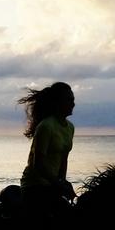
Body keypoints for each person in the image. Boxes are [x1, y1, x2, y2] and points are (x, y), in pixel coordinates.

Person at [18, 82, 76, 217]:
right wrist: (58, 184)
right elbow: (37, 164)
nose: (73, 104)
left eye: (73, 100)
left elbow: (63, 160)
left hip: (52, 185)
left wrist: (62, 182)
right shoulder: (46, 126)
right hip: (34, 186)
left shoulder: (70, 127)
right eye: (69, 100)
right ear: (58, 103)